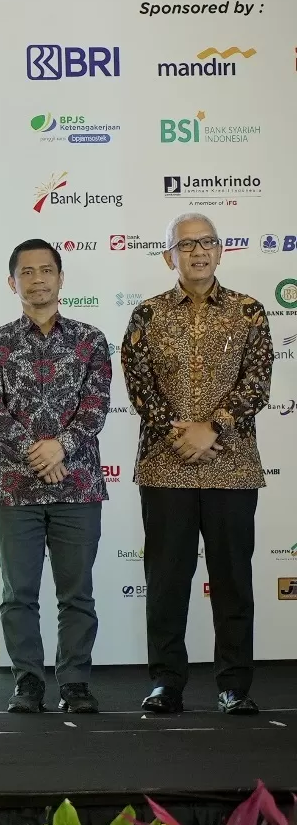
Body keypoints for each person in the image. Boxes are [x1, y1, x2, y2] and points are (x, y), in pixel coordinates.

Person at [121, 214, 272, 716]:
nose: (198, 251)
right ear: (170, 256)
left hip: (232, 466)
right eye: (186, 245)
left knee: (232, 579)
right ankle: (167, 682)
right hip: (167, 467)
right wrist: (177, 434)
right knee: (167, 580)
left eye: (207, 242)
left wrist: (214, 427)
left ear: (221, 251)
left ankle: (234, 685)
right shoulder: (146, 315)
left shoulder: (249, 312)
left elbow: (257, 383)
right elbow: (140, 386)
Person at [0, 239, 109, 716]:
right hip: (14, 489)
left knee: (77, 593)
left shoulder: (91, 340)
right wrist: (39, 455)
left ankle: (75, 683)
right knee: (18, 594)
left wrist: (61, 449)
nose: (37, 279)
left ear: (60, 278)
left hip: (79, 486)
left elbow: (95, 410)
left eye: (46, 270)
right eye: (26, 272)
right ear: (13, 282)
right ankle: (27, 682)